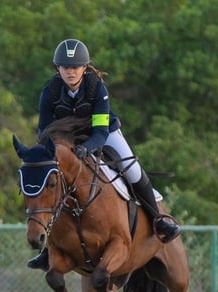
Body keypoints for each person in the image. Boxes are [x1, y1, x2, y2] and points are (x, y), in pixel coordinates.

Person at [27, 38, 181, 270]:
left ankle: (159, 220)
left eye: (75, 67)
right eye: (65, 67)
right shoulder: (49, 91)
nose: (70, 71)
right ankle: (50, 246)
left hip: (104, 134)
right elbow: (44, 132)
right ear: (57, 68)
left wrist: (86, 149)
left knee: (134, 171)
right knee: (53, 183)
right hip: (68, 140)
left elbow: (99, 132)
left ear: (85, 68)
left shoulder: (97, 88)